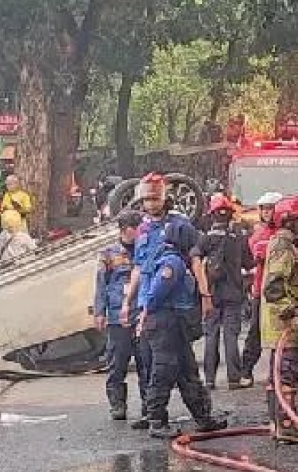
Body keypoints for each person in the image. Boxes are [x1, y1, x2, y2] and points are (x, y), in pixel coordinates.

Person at [119, 174, 207, 436]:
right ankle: (156, 418)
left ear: (165, 196)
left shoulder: (180, 226)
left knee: (186, 367)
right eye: (145, 199)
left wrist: (206, 295)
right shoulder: (143, 228)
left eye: (154, 198)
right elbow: (139, 267)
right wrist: (129, 303)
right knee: (161, 366)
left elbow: (196, 260)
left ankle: (203, 416)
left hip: (177, 306)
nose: (150, 204)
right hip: (154, 308)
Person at [133, 221, 227, 439]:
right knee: (164, 370)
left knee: (188, 371)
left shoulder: (176, 261)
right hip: (165, 323)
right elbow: (155, 295)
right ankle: (156, 421)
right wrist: (146, 315)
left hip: (175, 325)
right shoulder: (172, 263)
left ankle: (203, 417)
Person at [260, 194, 298, 443]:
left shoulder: (287, 245)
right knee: (287, 374)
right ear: (290, 221)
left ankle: (279, 423)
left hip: (282, 327)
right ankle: (284, 424)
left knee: (279, 374)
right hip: (285, 327)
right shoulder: (283, 247)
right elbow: (273, 287)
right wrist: (291, 312)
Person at [192, 194, 254, 390]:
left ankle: (209, 380)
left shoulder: (206, 239)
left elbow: (194, 257)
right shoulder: (239, 238)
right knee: (231, 336)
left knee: (211, 336)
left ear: (212, 215)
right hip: (234, 293)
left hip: (212, 294)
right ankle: (234, 379)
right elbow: (249, 264)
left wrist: (203, 290)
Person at [96, 210, 147, 420]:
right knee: (117, 363)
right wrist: (100, 312)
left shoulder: (146, 251)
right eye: (138, 229)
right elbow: (100, 284)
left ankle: (149, 405)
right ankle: (117, 404)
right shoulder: (108, 254)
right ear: (127, 230)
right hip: (118, 319)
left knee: (147, 363)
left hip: (142, 315)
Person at [243, 192, 282, 381]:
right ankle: (246, 371)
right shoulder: (258, 234)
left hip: (283, 292)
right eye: (264, 209)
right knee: (255, 332)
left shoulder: (286, 234)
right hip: (261, 289)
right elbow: (253, 256)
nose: (267, 213)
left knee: (284, 335)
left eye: (271, 209)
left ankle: (280, 375)